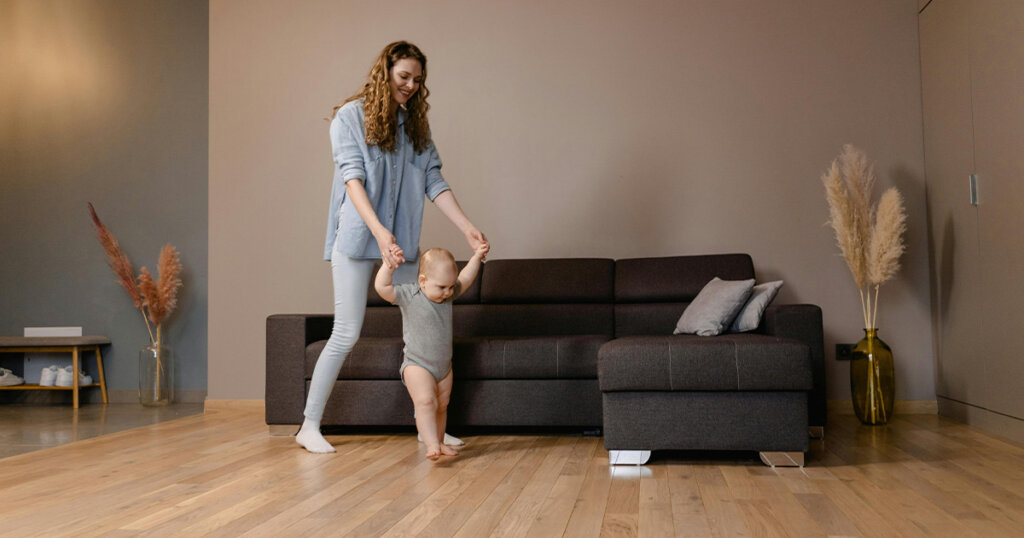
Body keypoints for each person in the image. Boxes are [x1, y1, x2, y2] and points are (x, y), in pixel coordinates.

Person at [296, 41, 489, 454]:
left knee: (425, 324)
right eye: (404, 76)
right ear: (384, 72)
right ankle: (309, 426)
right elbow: (353, 180)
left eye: (418, 80)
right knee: (346, 332)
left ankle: (430, 433)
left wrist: (468, 228)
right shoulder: (349, 118)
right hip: (359, 237)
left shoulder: (416, 129)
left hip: (400, 246)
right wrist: (380, 233)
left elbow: (434, 181)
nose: (411, 86)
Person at [375, 246, 486, 459]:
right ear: (423, 280)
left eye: (451, 287)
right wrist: (389, 266)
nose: (448, 292)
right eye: (442, 287)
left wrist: (477, 257)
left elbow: (467, 277)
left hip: (444, 366)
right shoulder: (409, 294)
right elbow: (382, 287)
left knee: (441, 406)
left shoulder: (448, 296)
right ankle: (431, 443)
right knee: (426, 401)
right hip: (417, 363)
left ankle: (440, 441)